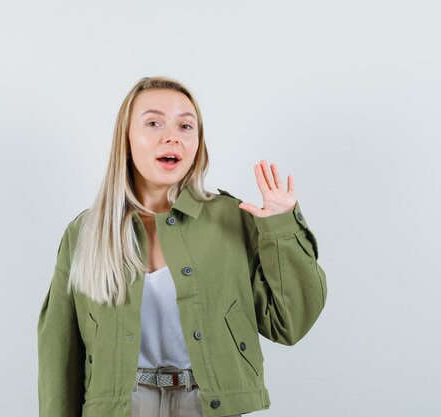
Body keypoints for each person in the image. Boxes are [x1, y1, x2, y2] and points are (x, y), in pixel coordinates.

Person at [37, 76, 327, 417]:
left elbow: (290, 322)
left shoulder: (232, 219)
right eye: (153, 122)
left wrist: (281, 227)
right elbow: (59, 352)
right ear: (126, 140)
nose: (172, 135)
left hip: (208, 404)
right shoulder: (85, 233)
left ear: (198, 144)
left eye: (186, 125)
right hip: (120, 407)